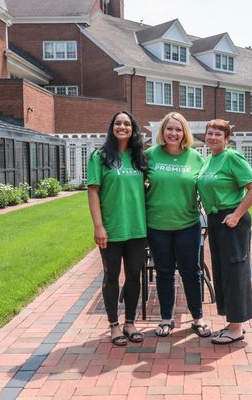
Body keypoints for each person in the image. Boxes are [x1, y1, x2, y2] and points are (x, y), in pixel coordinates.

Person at [145, 112, 211, 337]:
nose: (173, 133)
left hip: (188, 225)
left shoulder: (196, 158)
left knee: (191, 272)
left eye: (178, 129)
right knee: (164, 272)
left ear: (185, 132)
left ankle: (198, 318)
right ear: (162, 131)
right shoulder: (149, 156)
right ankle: (166, 319)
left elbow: (209, 186)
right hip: (157, 225)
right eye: (169, 128)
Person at [197, 119, 252, 345]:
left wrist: (236, 215)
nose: (213, 137)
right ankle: (233, 322)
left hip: (231, 220)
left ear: (227, 138)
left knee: (235, 270)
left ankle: (236, 328)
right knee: (222, 270)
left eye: (218, 134)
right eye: (210, 133)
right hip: (216, 220)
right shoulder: (208, 160)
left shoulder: (232, 157)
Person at [87, 110, 147, 346]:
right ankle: (113, 325)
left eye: (127, 124)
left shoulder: (139, 157)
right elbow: (93, 191)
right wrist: (98, 226)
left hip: (138, 229)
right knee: (111, 275)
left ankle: (130, 322)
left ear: (133, 129)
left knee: (134, 275)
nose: (122, 127)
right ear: (112, 127)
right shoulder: (100, 157)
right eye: (118, 123)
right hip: (111, 229)